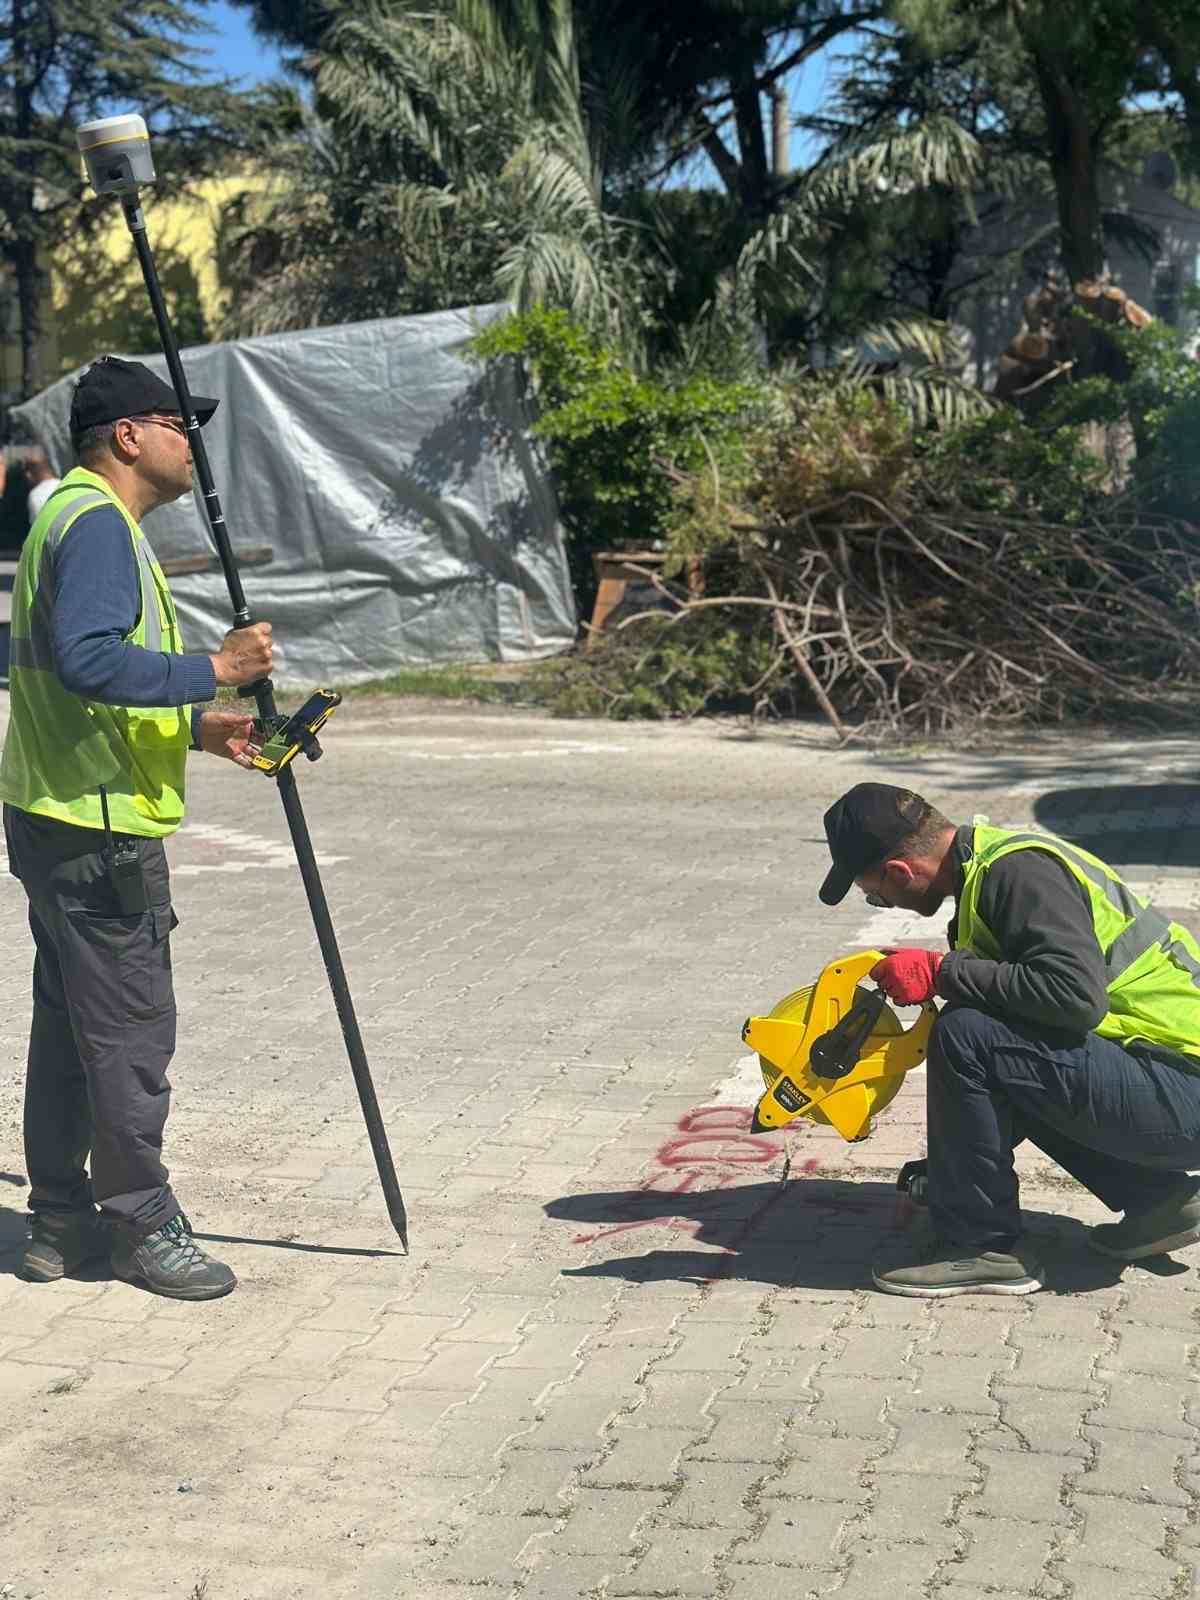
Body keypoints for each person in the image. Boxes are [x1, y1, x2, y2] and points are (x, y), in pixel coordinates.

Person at [0, 354, 274, 1301]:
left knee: (71, 1029)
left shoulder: (70, 515)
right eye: (177, 424)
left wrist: (197, 727)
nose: (191, 442)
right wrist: (216, 669)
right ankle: (143, 1226)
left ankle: (59, 1221)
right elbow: (86, 659)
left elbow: (87, 680)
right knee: (126, 1038)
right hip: (99, 834)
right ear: (128, 436)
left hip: (56, 813)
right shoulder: (99, 526)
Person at [819, 782, 1200, 1298]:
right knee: (990, 1030)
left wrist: (944, 972)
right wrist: (954, 1167)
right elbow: (1026, 1061)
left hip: (1183, 1087)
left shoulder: (1017, 875)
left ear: (899, 871)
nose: (881, 901)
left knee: (967, 1033)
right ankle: (1159, 1200)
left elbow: (1074, 999)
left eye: (873, 893)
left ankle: (979, 1245)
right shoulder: (987, 871)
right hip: (1168, 1080)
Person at [23, 443, 60, 524]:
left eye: (27, 469)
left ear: (29, 473)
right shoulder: (62, 484)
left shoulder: (35, 495)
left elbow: (35, 527)